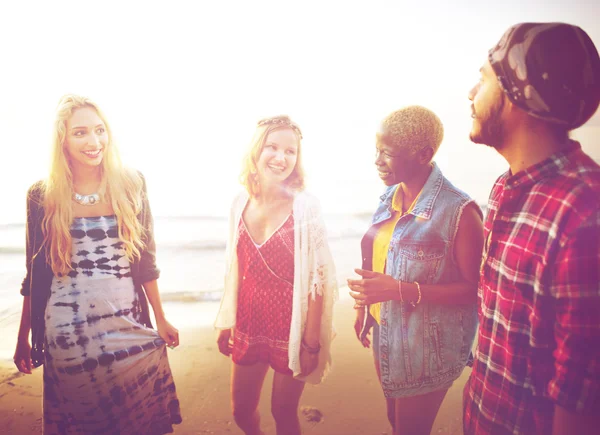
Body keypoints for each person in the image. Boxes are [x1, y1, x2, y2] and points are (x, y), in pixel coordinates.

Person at [13, 94, 182, 434]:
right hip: (68, 330)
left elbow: (145, 259)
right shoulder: (42, 194)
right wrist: (24, 337)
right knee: (86, 423)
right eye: (80, 133)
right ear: (62, 138)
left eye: (99, 130)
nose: (94, 142)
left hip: (128, 319)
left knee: (140, 420)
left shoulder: (131, 183)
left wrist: (160, 317)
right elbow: (36, 272)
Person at [463, 23, 600, 435]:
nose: (471, 93)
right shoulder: (506, 186)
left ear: (515, 96)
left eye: (483, 79)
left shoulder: (585, 215)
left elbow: (580, 400)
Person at [349, 106, 484, 435]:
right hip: (386, 333)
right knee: (395, 420)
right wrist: (365, 308)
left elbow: (475, 290)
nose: (377, 160)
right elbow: (378, 264)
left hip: (428, 346)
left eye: (388, 153)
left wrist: (398, 290)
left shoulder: (459, 212)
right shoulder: (389, 198)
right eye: (377, 150)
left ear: (424, 154)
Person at [214, 115, 337, 435]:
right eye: (272, 147)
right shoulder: (239, 203)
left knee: (283, 412)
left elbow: (318, 279)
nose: (281, 157)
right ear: (256, 152)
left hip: (291, 320)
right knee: (241, 410)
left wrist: (311, 343)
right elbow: (235, 270)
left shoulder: (305, 207)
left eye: (290, 151)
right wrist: (228, 320)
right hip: (249, 316)